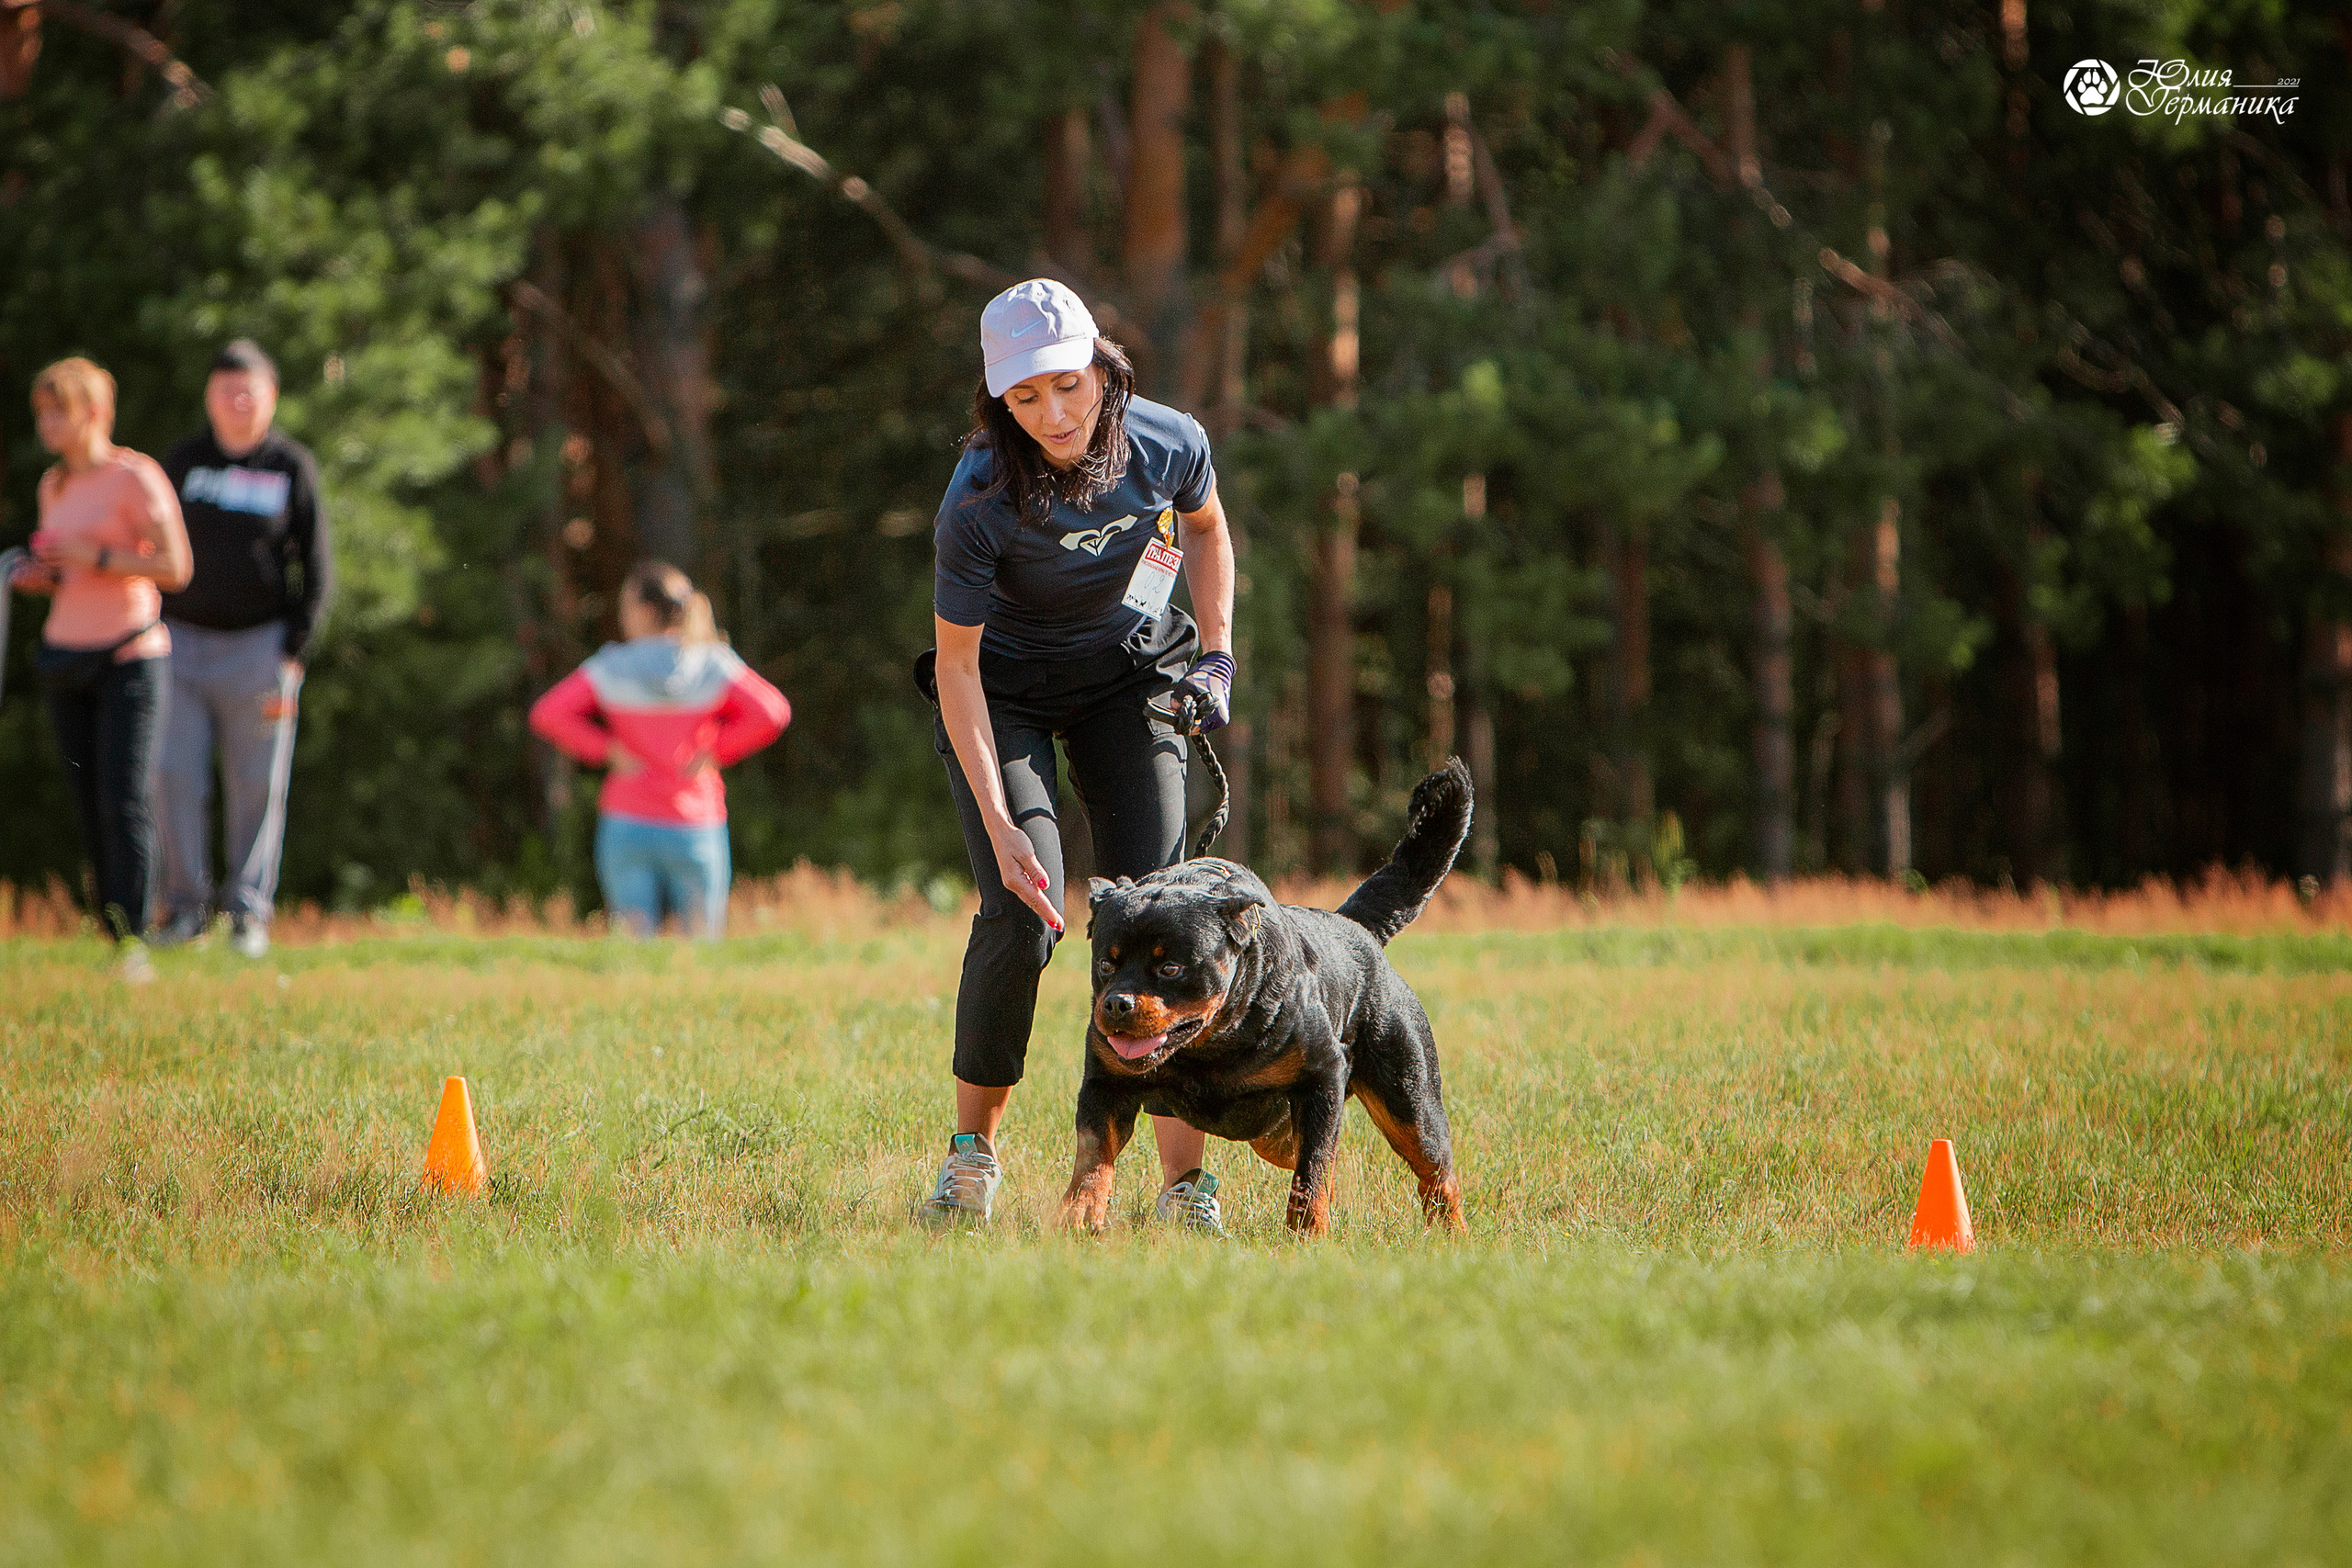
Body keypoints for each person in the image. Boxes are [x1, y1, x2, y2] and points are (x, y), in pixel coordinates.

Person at [922, 277, 1238, 1232]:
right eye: (1024, 397)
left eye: (1066, 384)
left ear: (1103, 367)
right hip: (1004, 691)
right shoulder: (977, 497)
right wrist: (1000, 823)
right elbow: (959, 668)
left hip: (1126, 678)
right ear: (997, 402)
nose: (1051, 414)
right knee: (1022, 917)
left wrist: (1217, 655)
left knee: (1168, 914)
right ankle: (970, 1159)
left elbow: (1208, 529)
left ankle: (1184, 1187)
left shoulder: (1170, 440)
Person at [8, 357, 195, 982]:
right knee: (87, 802)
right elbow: (66, 570)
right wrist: (43, 576)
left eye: (58, 411)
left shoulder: (135, 476)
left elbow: (175, 565)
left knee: (125, 797)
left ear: (93, 412)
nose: (48, 425)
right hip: (67, 654)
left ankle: (138, 936)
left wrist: (99, 555)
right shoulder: (53, 486)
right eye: (42, 413)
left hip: (129, 654)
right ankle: (110, 927)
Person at [152, 339, 334, 960]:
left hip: (260, 649)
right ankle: (183, 909)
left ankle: (248, 914)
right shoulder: (184, 463)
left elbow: (316, 566)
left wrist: (294, 649)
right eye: (227, 389)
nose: (238, 400)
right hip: (180, 644)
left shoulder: (291, 466)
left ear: (271, 397)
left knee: (258, 784)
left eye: (249, 389)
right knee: (173, 776)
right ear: (211, 396)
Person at [528, 561, 789, 938]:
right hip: (696, 820)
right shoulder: (713, 664)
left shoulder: (612, 666)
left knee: (634, 947)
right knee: (701, 945)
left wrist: (606, 749)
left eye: (625, 605)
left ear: (644, 610)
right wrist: (717, 750)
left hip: (628, 819)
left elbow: (547, 714)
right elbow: (773, 712)